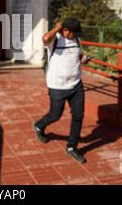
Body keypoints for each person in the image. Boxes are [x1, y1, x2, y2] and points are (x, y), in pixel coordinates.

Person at [33, 17, 91, 164]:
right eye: (73, 33)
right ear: (65, 30)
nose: (76, 36)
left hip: (76, 84)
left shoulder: (77, 40)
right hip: (57, 85)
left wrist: (83, 59)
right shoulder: (56, 39)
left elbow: (78, 55)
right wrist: (57, 28)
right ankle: (39, 125)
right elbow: (45, 38)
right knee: (55, 114)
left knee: (78, 115)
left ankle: (72, 147)